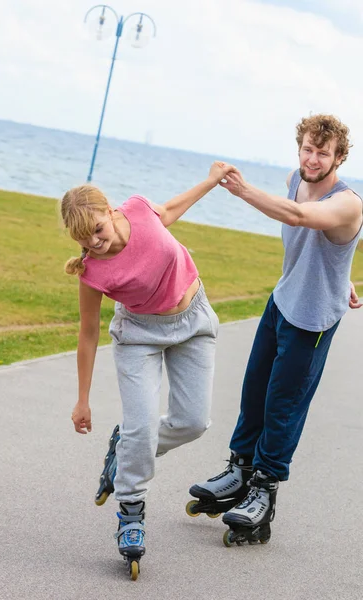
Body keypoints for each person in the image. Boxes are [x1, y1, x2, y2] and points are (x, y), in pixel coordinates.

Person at [188, 114, 363, 546]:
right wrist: (344, 275)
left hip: (313, 319)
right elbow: (316, 237)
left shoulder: (349, 201)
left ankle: (264, 489)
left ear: (340, 157)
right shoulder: (294, 178)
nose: (313, 158)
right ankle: (239, 468)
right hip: (281, 301)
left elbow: (302, 217)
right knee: (254, 391)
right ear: (299, 147)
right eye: (308, 148)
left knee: (283, 405)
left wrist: (242, 189)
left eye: (323, 152)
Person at [60, 161, 230, 578]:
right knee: (141, 426)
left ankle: (127, 448)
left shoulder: (137, 208)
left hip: (193, 322)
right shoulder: (91, 272)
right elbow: (88, 332)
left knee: (193, 423)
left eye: (98, 230)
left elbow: (170, 210)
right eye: (84, 240)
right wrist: (82, 400)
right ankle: (131, 512)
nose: (95, 244)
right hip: (138, 335)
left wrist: (210, 180)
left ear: (110, 211)